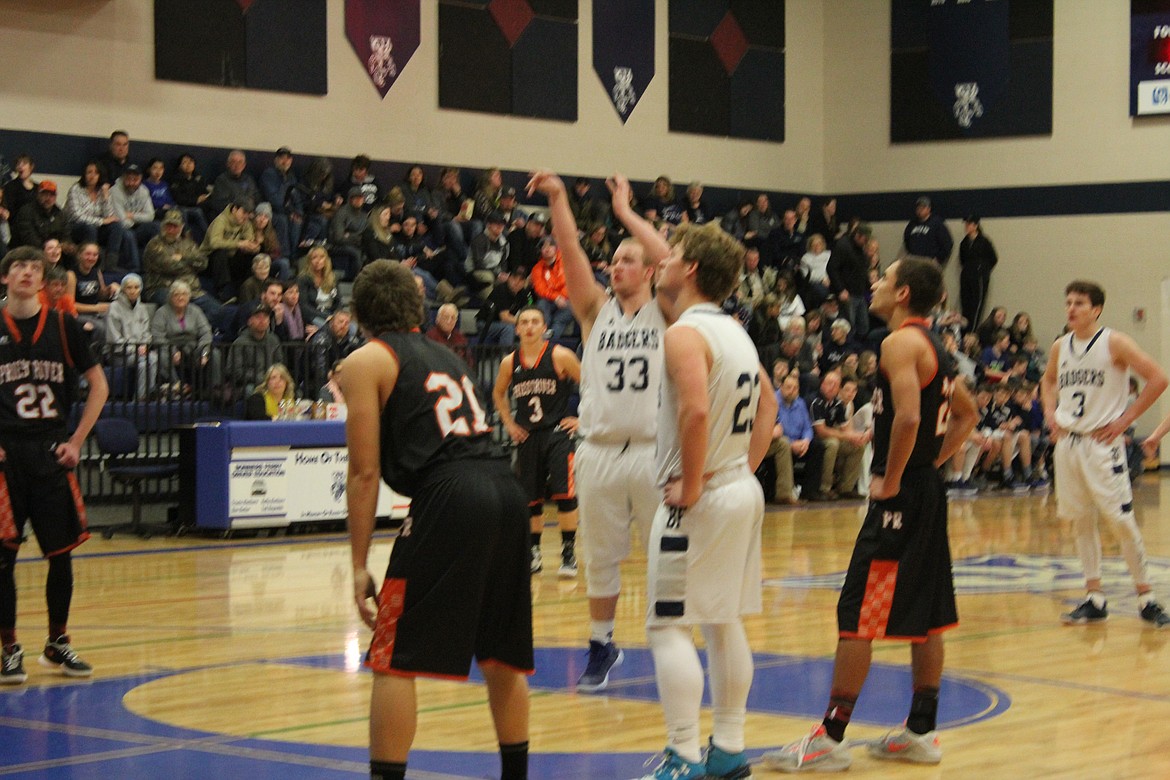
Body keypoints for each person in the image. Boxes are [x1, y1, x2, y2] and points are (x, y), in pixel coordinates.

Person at [764, 257, 978, 772]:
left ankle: (831, 738)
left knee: (859, 610)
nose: (875, 284)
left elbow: (906, 417)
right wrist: (931, 462)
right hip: (927, 491)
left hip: (902, 498)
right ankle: (921, 732)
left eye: (884, 279)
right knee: (926, 614)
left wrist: (896, 477)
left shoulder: (899, 342)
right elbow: (966, 414)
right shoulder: (939, 349)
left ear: (902, 293)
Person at [341, 260, 532, 780]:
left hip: (451, 493)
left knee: (394, 654)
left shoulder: (365, 361)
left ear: (358, 312)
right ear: (416, 307)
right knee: (500, 653)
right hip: (504, 486)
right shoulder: (449, 356)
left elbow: (363, 473)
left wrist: (358, 565)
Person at [632, 219, 775, 780]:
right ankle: (730, 749)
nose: (663, 260)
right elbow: (767, 407)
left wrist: (693, 484)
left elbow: (693, 410)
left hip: (701, 495)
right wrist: (740, 467)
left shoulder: (684, 333)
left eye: (675, 254)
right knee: (723, 619)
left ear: (690, 268)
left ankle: (684, 755)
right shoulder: (736, 330)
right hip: (739, 486)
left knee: (668, 625)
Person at [527, 169, 669, 693]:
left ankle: (668, 641)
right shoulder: (594, 311)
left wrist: (627, 212)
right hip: (601, 450)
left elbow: (673, 260)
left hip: (655, 451)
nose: (617, 265)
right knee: (601, 557)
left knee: (665, 555)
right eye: (615, 259)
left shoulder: (667, 311)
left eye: (629, 259)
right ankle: (600, 645)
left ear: (650, 269)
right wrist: (559, 198)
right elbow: (569, 250)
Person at [0, 246, 109, 685]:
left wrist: (77, 439)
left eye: (34, 268)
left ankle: (57, 642)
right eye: (18, 268)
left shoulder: (64, 325)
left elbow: (98, 384)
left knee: (60, 556)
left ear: (44, 281)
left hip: (50, 450)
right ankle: (9, 648)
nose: (27, 273)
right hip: (7, 454)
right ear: (5, 278)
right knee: (2, 559)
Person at [1040, 280, 1170, 628]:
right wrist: (1050, 413)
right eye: (1068, 302)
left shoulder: (1114, 342)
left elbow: (1158, 378)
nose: (1071, 308)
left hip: (1102, 446)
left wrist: (1126, 420)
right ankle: (1094, 597)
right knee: (1081, 521)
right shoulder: (1059, 347)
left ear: (1096, 309)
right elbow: (1048, 381)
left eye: (1079, 303)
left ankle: (1147, 598)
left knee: (1122, 522)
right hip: (1069, 444)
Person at [491, 306, 582, 577]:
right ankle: (534, 552)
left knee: (565, 495)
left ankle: (568, 553)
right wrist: (508, 423)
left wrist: (581, 419)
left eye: (535, 322)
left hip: (557, 434)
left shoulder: (560, 355)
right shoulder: (509, 362)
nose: (529, 327)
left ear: (544, 328)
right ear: (516, 329)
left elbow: (592, 384)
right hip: (527, 436)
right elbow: (498, 395)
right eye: (524, 322)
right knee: (531, 500)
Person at [769, 372, 827, 504]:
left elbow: (807, 427)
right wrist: (792, 444)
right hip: (781, 442)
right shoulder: (773, 402)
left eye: (795, 388)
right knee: (783, 443)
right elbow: (775, 431)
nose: (792, 391)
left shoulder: (800, 403)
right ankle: (785, 494)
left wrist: (805, 441)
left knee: (817, 445)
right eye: (788, 387)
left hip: (799, 444)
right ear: (781, 387)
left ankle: (810, 492)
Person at [106, 273, 159, 400]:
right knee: (143, 363)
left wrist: (144, 346)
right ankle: (140, 400)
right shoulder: (114, 308)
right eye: (129, 287)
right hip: (117, 354)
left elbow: (147, 333)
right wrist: (135, 348)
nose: (133, 291)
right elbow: (114, 339)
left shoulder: (142, 308)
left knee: (153, 357)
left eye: (136, 287)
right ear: (123, 289)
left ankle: (148, 394)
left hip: (139, 352)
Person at [957, 216, 997, 333]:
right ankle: (963, 331)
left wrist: (982, 269)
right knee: (966, 304)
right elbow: (962, 259)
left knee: (976, 304)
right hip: (966, 275)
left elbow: (993, 258)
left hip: (979, 276)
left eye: (969, 224)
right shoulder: (964, 243)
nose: (966, 227)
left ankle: (972, 331)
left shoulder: (984, 241)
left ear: (975, 226)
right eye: (966, 224)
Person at [902, 196, 953, 267]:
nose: (920, 210)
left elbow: (947, 243)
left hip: (930, 263)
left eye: (923, 208)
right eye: (918, 208)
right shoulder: (912, 224)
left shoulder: (937, 223)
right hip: (915, 263)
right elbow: (906, 240)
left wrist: (938, 259)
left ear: (929, 209)